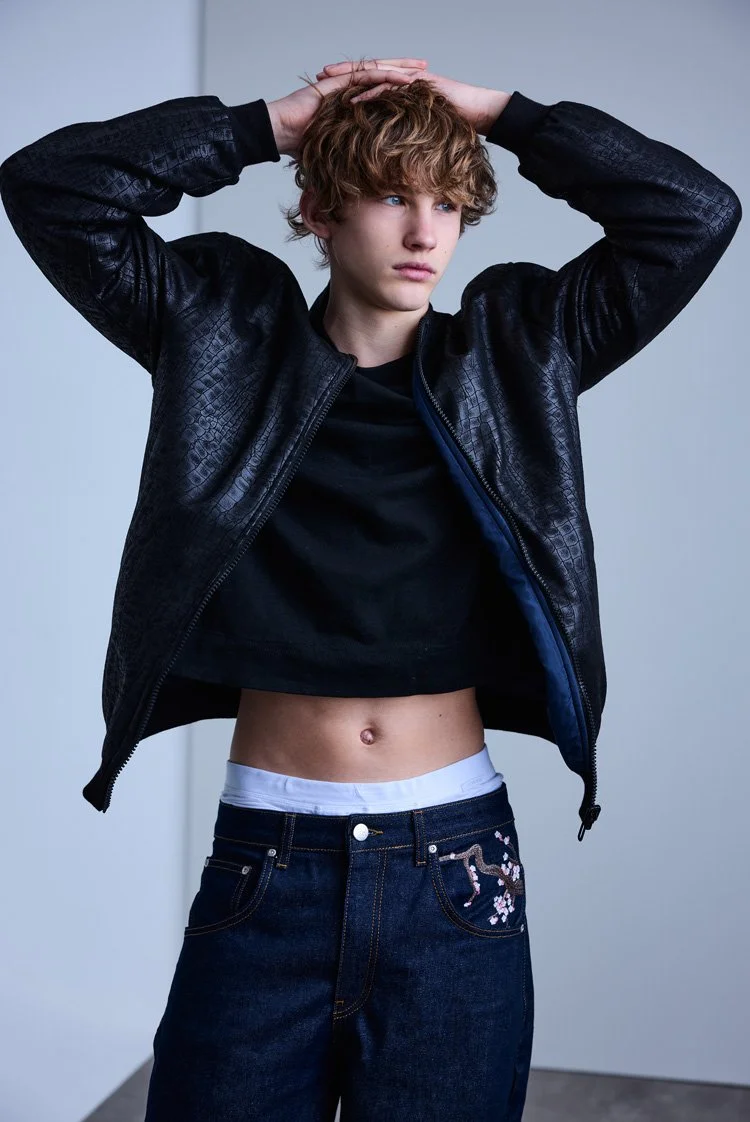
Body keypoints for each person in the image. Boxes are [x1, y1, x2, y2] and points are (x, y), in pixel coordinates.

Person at [0, 56, 740, 1122]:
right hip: (269, 860)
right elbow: (51, 187)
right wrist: (268, 124)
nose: (426, 232)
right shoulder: (216, 335)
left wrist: (501, 114)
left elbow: (694, 213)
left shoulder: (521, 352)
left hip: (456, 870)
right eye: (393, 195)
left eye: (449, 203)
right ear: (320, 209)